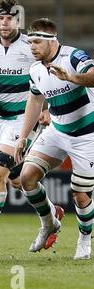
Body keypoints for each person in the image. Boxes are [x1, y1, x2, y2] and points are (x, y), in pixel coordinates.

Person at [0, 0, 63, 255]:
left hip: (23, 119)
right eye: (1, 18)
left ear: (19, 21)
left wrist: (50, 109)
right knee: (20, 180)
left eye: (10, 18)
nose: (5, 22)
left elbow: (53, 75)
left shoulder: (31, 46)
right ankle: (52, 215)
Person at [15, 18, 94, 260]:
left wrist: (71, 77)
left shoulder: (73, 57)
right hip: (57, 130)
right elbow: (35, 100)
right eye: (29, 43)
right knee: (26, 178)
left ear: (52, 40)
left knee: (80, 195)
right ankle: (49, 222)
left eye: (37, 41)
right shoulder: (35, 69)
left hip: (86, 134)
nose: (32, 47)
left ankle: (84, 240)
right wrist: (23, 136)